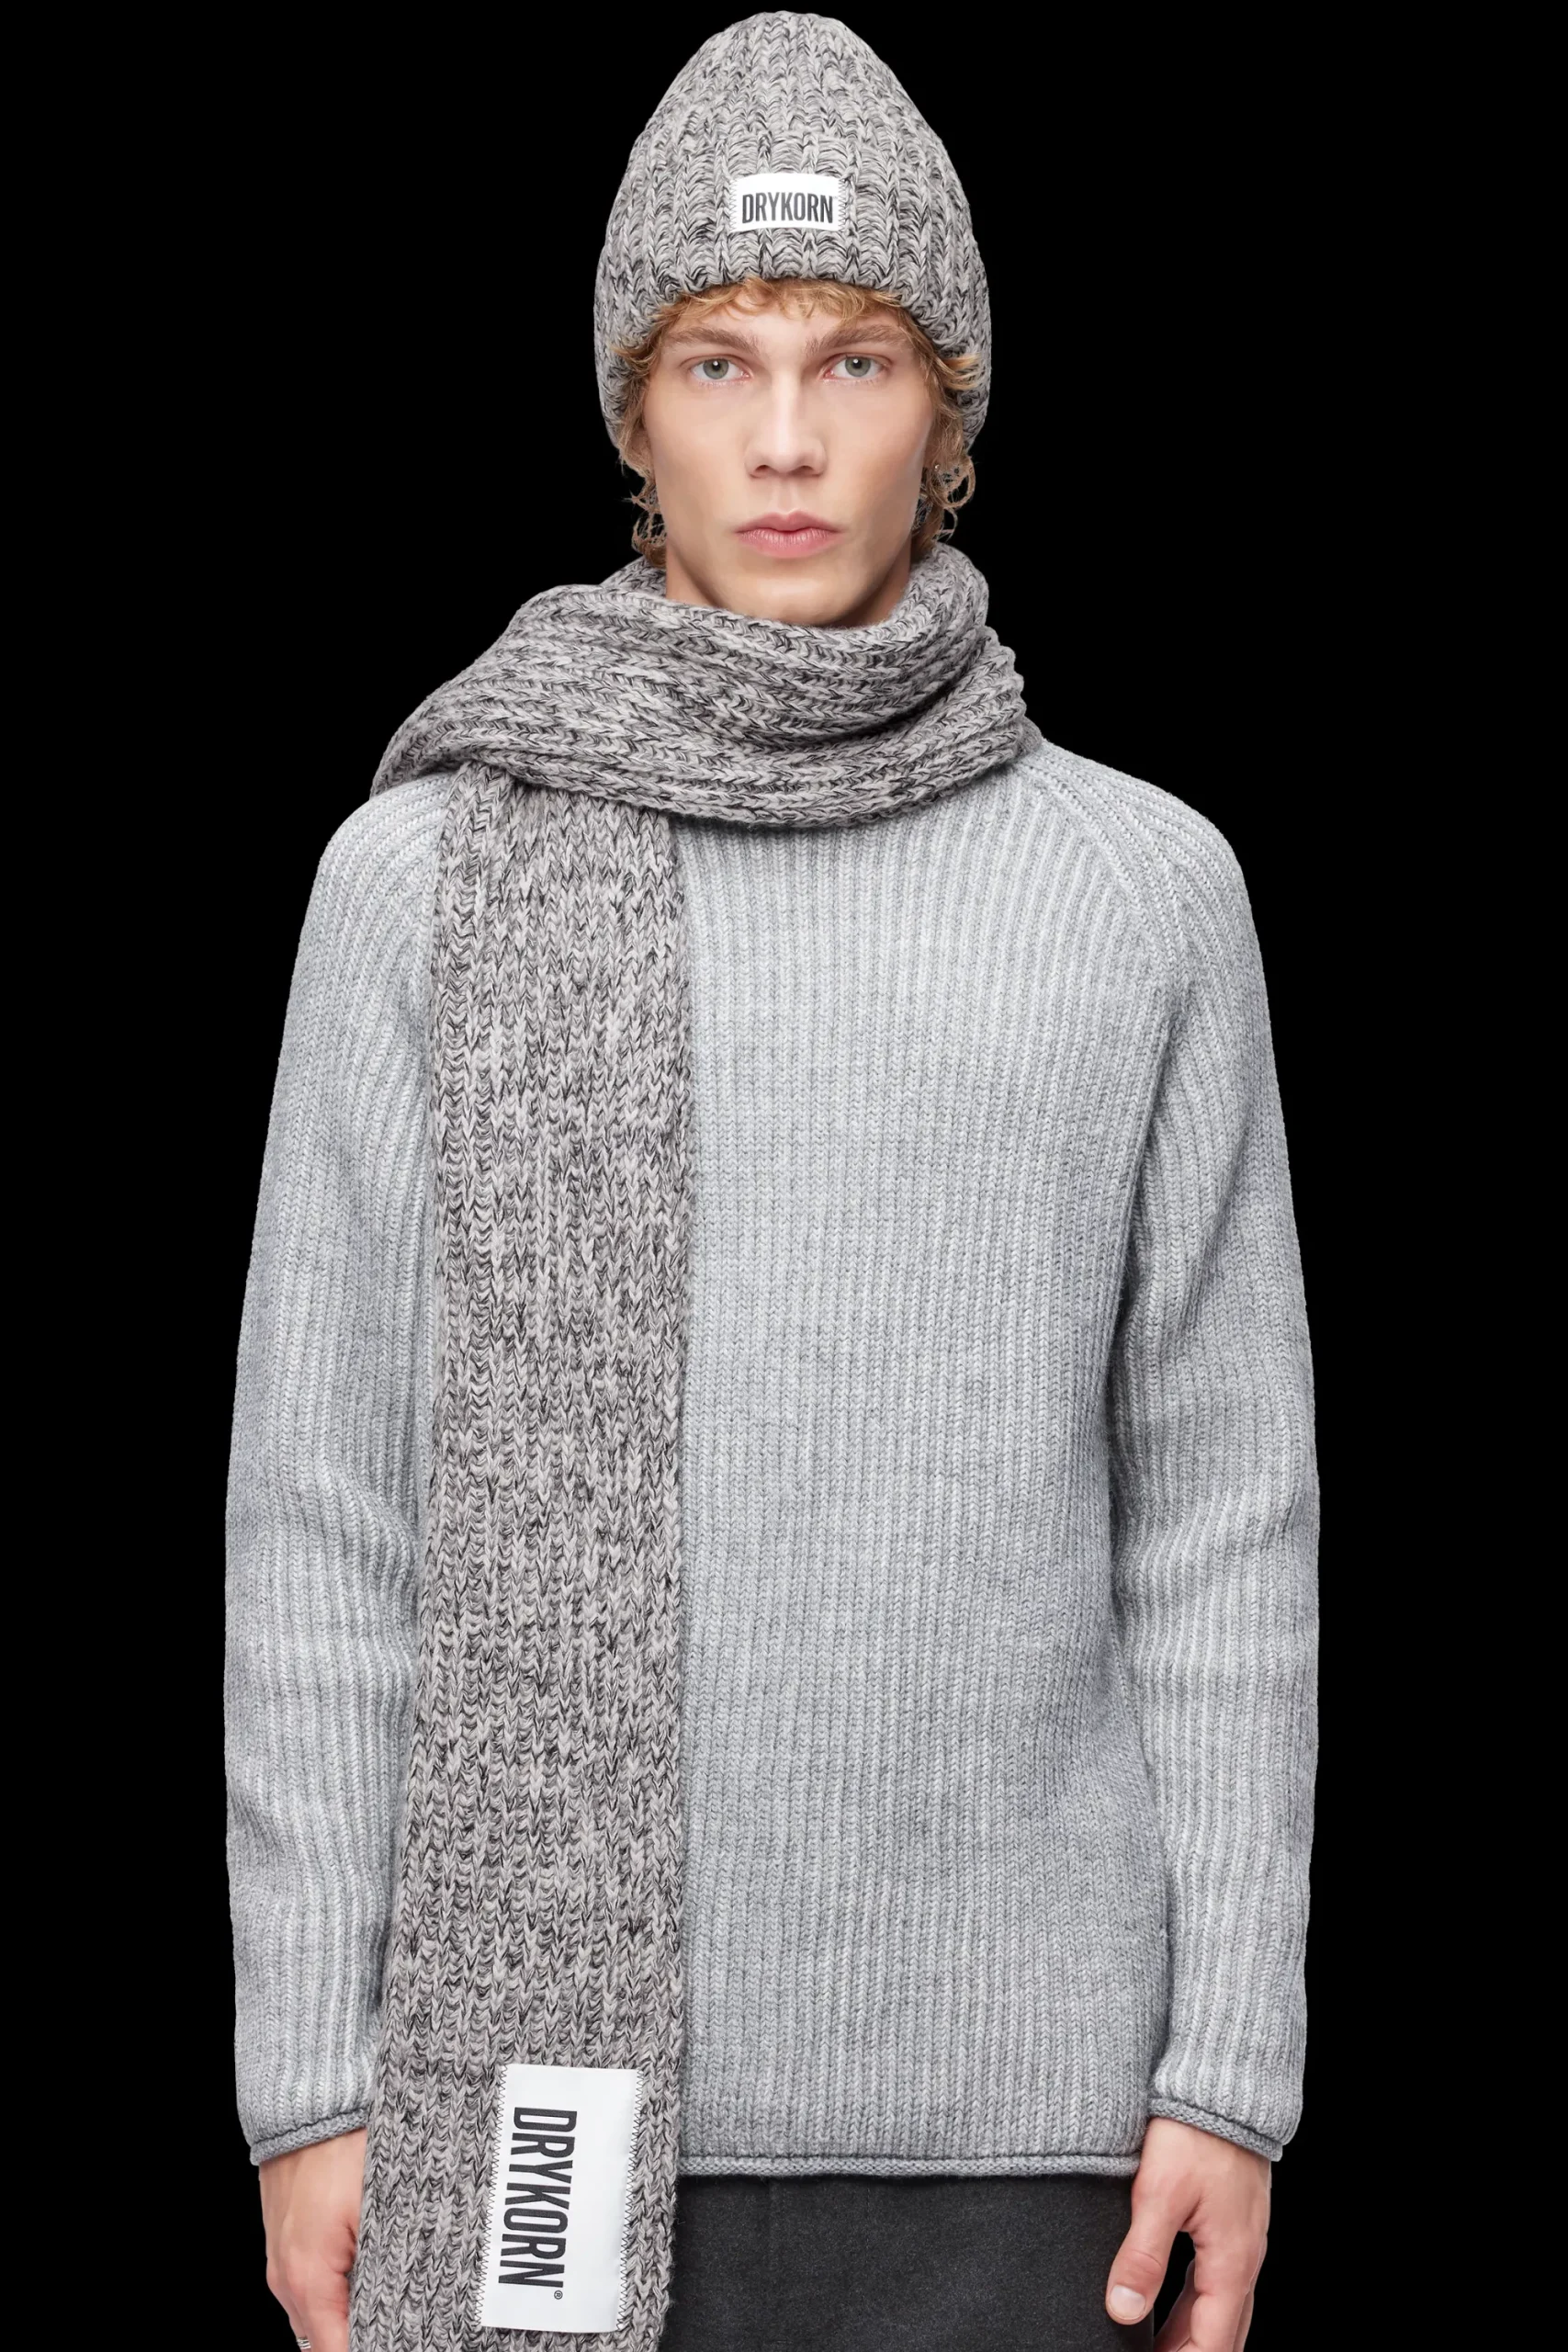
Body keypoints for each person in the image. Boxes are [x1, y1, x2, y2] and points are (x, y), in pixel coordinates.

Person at [225, 14, 1319, 2351]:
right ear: (635, 414)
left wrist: (1230, 2067)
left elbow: (1223, 1522)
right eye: (718, 361)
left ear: (951, 409)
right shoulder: (420, 885)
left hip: (1040, 2136)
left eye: (857, 360)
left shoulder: (1140, 892)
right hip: (529, 2109)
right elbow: (326, 1514)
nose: (791, 438)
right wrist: (308, 2076)